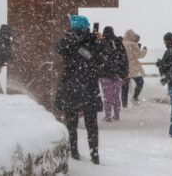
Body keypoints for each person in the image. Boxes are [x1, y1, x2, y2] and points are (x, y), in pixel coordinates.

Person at [54, 15, 102, 164]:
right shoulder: (92, 40)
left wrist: (71, 37)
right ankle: (95, 156)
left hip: (70, 86)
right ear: (86, 26)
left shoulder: (67, 41)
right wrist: (94, 39)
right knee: (91, 124)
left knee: (71, 122)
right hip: (89, 86)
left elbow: (58, 48)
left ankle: (73, 152)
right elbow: (99, 60)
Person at [98, 26, 128, 122]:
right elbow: (124, 58)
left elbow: (98, 58)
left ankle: (108, 116)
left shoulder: (102, 43)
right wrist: (124, 72)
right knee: (116, 95)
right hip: (118, 74)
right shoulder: (119, 43)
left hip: (105, 74)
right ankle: (117, 115)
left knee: (107, 96)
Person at [122, 29, 147, 107]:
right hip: (133, 67)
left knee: (125, 86)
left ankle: (124, 104)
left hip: (124, 67)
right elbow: (139, 55)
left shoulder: (121, 43)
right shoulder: (133, 44)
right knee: (140, 82)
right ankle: (135, 97)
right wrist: (144, 50)